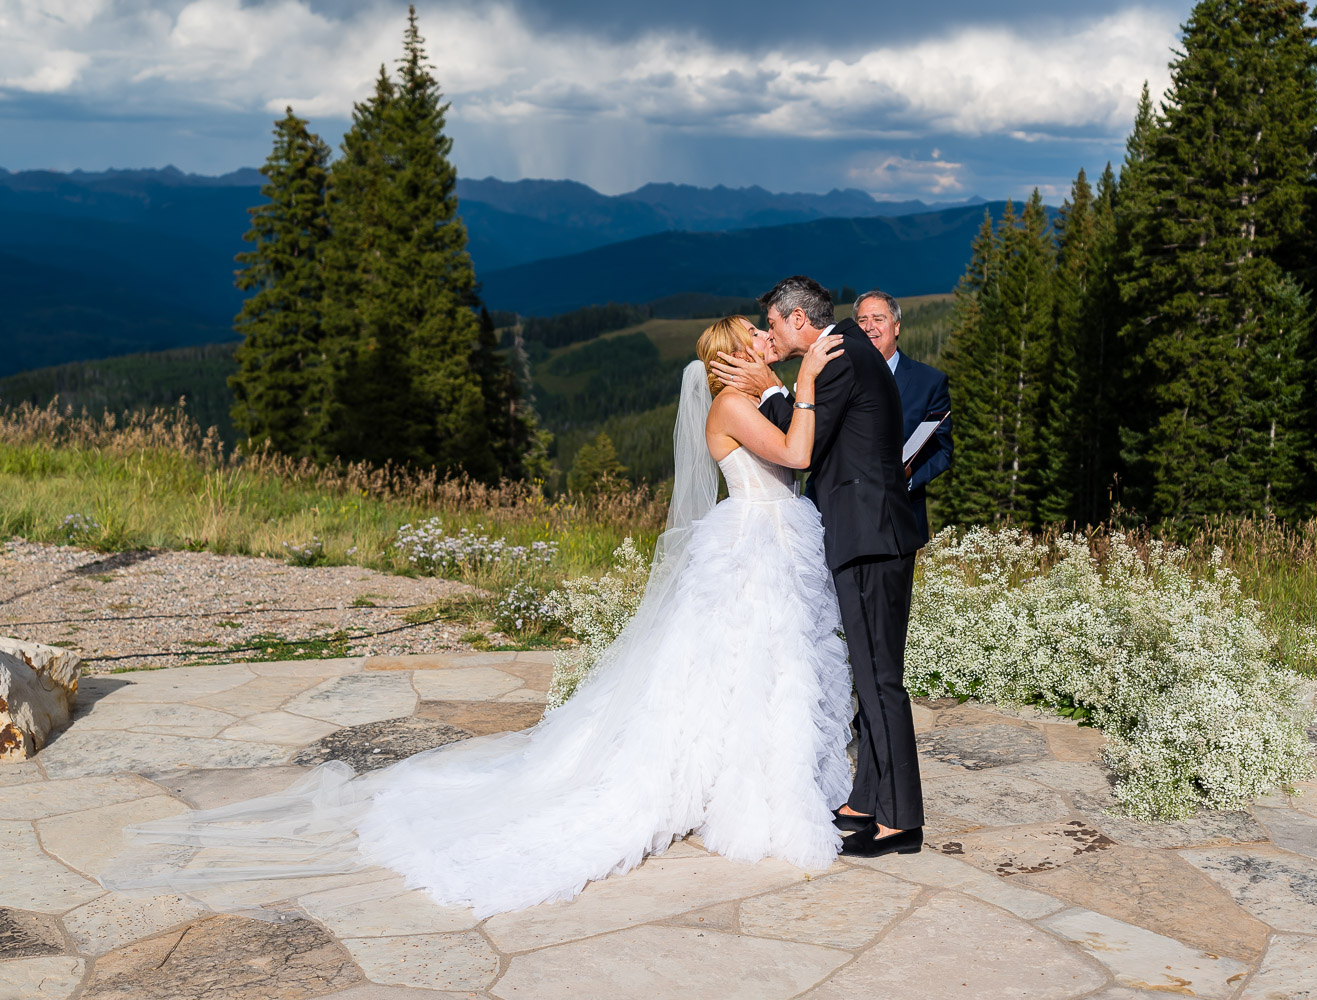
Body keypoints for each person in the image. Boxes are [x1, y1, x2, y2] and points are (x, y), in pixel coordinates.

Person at [103, 317, 854, 918]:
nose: (768, 339)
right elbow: (793, 452)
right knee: (740, 660)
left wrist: (787, 386)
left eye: (771, 336)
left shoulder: (748, 396)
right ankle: (727, 788)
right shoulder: (733, 405)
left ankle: (740, 776)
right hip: (754, 544)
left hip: (766, 543)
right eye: (755, 336)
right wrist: (811, 379)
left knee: (758, 666)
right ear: (728, 358)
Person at [711, 275, 926, 859]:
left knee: (880, 679)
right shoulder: (850, 347)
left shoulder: (833, 359)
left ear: (799, 319)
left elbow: (800, 444)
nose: (772, 336)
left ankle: (901, 820)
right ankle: (864, 799)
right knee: (871, 673)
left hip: (867, 537)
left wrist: (772, 386)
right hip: (874, 532)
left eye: (775, 325)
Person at [854, 289, 952, 540]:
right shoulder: (838, 376)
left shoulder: (929, 381)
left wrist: (907, 478)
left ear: (896, 326)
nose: (869, 327)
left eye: (878, 319)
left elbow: (942, 450)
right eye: (862, 320)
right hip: (847, 521)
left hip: (900, 520)